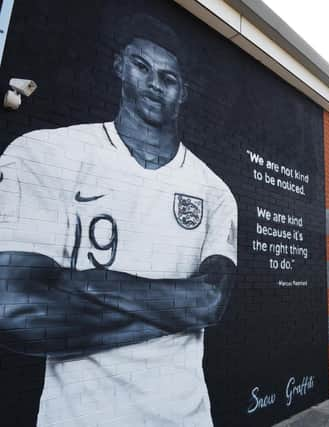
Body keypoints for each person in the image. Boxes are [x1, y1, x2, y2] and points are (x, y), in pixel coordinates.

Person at [0, 14, 236, 427]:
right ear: (118, 66)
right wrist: (177, 312)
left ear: (183, 93)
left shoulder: (214, 192)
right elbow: (16, 314)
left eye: (168, 77)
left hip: (184, 417)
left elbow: (210, 301)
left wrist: (82, 281)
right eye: (141, 66)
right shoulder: (46, 153)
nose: (154, 84)